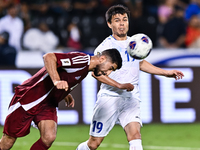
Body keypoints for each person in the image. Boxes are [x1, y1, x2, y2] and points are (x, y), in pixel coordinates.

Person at [76, 4, 184, 150]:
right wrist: (119, 85)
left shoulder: (135, 43)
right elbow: (97, 74)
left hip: (131, 97)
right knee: (94, 144)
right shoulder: (104, 48)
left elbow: (140, 63)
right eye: (117, 20)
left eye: (125, 19)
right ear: (109, 24)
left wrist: (166, 73)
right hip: (109, 98)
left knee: (135, 137)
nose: (122, 23)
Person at [0, 48, 134, 150]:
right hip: (29, 99)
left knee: (49, 138)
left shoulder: (86, 69)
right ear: (102, 59)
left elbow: (91, 75)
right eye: (110, 68)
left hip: (48, 104)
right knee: (8, 141)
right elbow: (49, 57)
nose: (107, 72)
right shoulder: (81, 60)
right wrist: (56, 81)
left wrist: (65, 93)